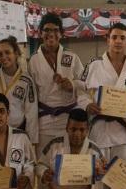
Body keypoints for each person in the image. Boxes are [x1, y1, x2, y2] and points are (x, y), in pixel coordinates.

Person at [79, 23, 126, 163]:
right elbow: (80, 91)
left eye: (122, 38)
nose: (118, 41)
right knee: (97, 180)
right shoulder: (93, 65)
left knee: (120, 181)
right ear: (107, 39)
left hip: (123, 133)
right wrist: (87, 105)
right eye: (114, 37)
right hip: (98, 131)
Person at [27, 13, 84, 156]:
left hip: (67, 122)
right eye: (46, 30)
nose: (51, 34)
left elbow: (85, 83)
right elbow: (30, 98)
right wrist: (31, 131)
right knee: (44, 165)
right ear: (40, 33)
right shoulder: (33, 61)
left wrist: (72, 84)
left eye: (55, 30)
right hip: (44, 121)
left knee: (66, 166)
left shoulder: (72, 57)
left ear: (61, 34)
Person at [0, 36, 39, 145]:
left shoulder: (26, 80)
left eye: (7, 52)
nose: (4, 57)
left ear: (16, 53)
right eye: (0, 54)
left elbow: (31, 113)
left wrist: (32, 141)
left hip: (18, 131)